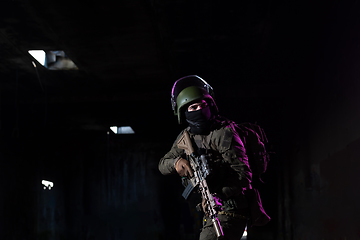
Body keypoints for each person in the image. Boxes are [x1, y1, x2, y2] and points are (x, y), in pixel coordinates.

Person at [158, 75, 270, 240]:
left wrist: (219, 196)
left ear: (210, 105)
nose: (199, 111)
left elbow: (244, 175)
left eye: (202, 105)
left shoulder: (224, 133)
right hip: (211, 209)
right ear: (183, 112)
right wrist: (177, 162)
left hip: (232, 208)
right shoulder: (186, 136)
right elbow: (162, 164)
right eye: (193, 107)